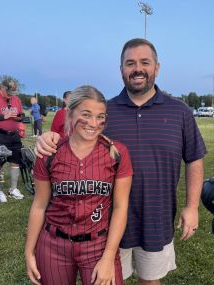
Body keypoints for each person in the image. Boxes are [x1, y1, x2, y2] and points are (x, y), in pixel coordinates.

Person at [35, 38, 207, 284]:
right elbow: (70, 142)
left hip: (156, 219)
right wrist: (48, 137)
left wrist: (191, 207)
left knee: (151, 280)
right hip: (105, 224)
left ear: (157, 67)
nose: (137, 69)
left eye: (144, 62)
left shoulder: (179, 111)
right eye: (130, 63)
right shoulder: (105, 113)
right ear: (121, 70)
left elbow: (194, 160)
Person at [25, 85, 133, 285]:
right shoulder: (49, 152)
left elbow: (120, 207)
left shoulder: (117, 153)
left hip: (98, 245)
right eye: (86, 114)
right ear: (70, 113)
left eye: (100, 116)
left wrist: (108, 257)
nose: (94, 123)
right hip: (53, 246)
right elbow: (39, 205)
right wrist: (29, 251)